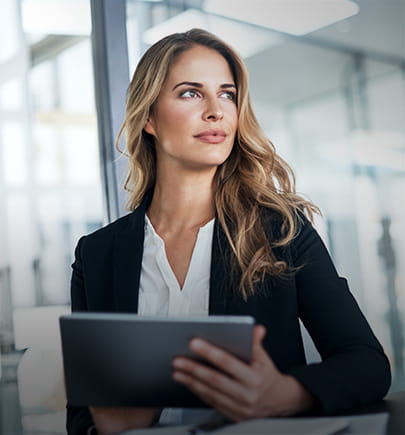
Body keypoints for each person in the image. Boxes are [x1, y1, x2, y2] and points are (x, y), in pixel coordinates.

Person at [67, 28, 391, 435]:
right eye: (190, 93)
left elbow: (367, 363)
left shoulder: (281, 229)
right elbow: (81, 414)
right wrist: (108, 427)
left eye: (227, 94)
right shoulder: (97, 254)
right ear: (148, 117)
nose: (216, 111)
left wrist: (287, 394)